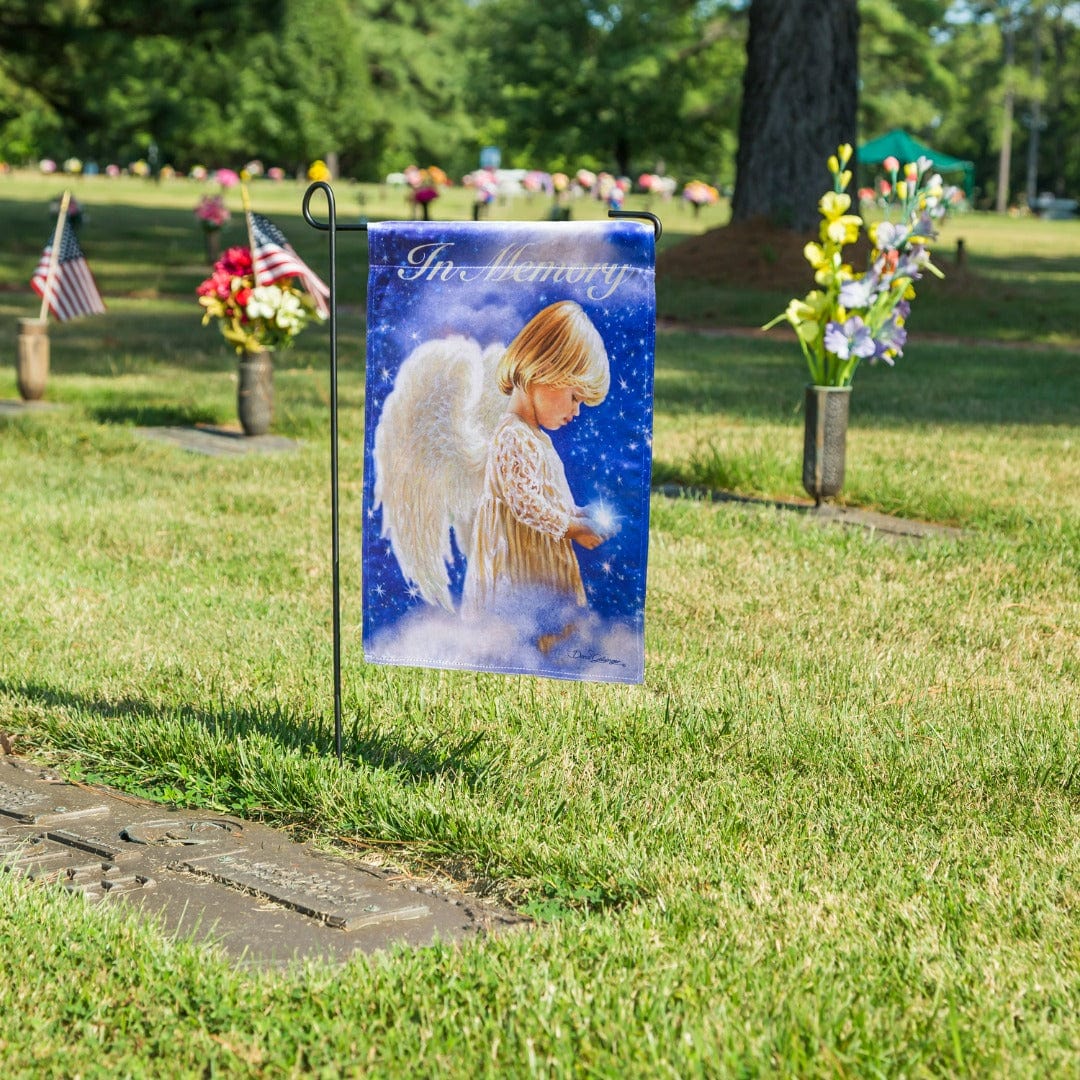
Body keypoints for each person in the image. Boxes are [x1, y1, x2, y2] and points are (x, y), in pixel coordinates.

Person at [461, 300, 610, 633]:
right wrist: (571, 527)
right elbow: (525, 504)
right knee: (526, 629)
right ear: (543, 371)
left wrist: (577, 515)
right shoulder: (513, 436)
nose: (577, 412)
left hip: (539, 552)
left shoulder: (534, 437)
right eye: (575, 397)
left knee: (554, 627)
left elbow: (546, 494)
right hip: (518, 563)